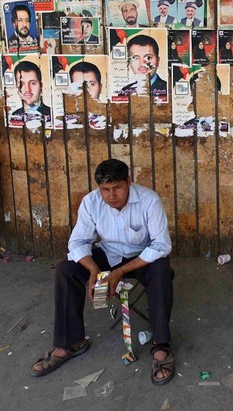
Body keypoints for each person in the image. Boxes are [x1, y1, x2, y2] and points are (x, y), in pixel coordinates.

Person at [30, 159, 175, 384]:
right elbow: (77, 242)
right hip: (109, 254)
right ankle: (71, 342)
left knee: (162, 270)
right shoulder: (91, 202)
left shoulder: (149, 200)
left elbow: (161, 245)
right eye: (105, 189)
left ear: (128, 182)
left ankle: (161, 345)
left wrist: (120, 272)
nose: (111, 195)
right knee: (65, 269)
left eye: (117, 187)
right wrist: (94, 270)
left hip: (141, 257)